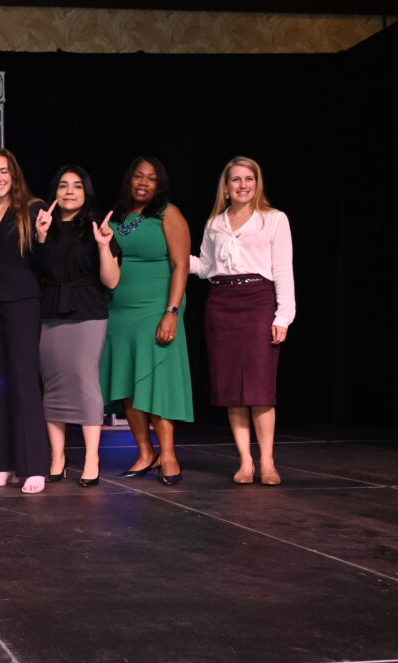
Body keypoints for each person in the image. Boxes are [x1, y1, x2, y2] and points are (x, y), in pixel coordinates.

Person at [190, 157, 294, 486]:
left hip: (258, 300)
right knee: (232, 388)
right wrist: (172, 254)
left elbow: (283, 271)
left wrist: (283, 316)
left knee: (260, 387)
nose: (243, 185)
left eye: (249, 179)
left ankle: (267, 461)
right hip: (221, 303)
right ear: (226, 186)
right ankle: (245, 461)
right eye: (236, 179)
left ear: (257, 183)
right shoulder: (214, 224)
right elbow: (206, 267)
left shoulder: (274, 219)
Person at [100, 156, 193, 486]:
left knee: (156, 383)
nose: (142, 183)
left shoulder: (169, 214)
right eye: (137, 176)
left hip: (156, 308)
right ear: (129, 180)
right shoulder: (117, 218)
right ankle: (144, 452)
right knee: (127, 385)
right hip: (119, 311)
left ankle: (167, 453)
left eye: (150, 179)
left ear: (159, 185)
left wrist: (172, 312)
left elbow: (181, 266)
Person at [33, 165, 121, 487]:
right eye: (63, 186)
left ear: (87, 193)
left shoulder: (100, 228)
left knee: (84, 382)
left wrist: (102, 246)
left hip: (87, 312)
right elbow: (37, 271)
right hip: (49, 311)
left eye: (77, 186)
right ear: (54, 192)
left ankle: (92, 457)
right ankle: (58, 456)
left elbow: (111, 280)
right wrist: (40, 236)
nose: (69, 191)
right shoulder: (44, 225)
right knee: (53, 384)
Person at [0, 149, 49, 494]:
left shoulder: (33, 209)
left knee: (24, 381)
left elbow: (44, 262)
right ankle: (4, 464)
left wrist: (45, 238)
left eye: (3, 171)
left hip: (22, 301)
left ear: (14, 174)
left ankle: (34, 466)